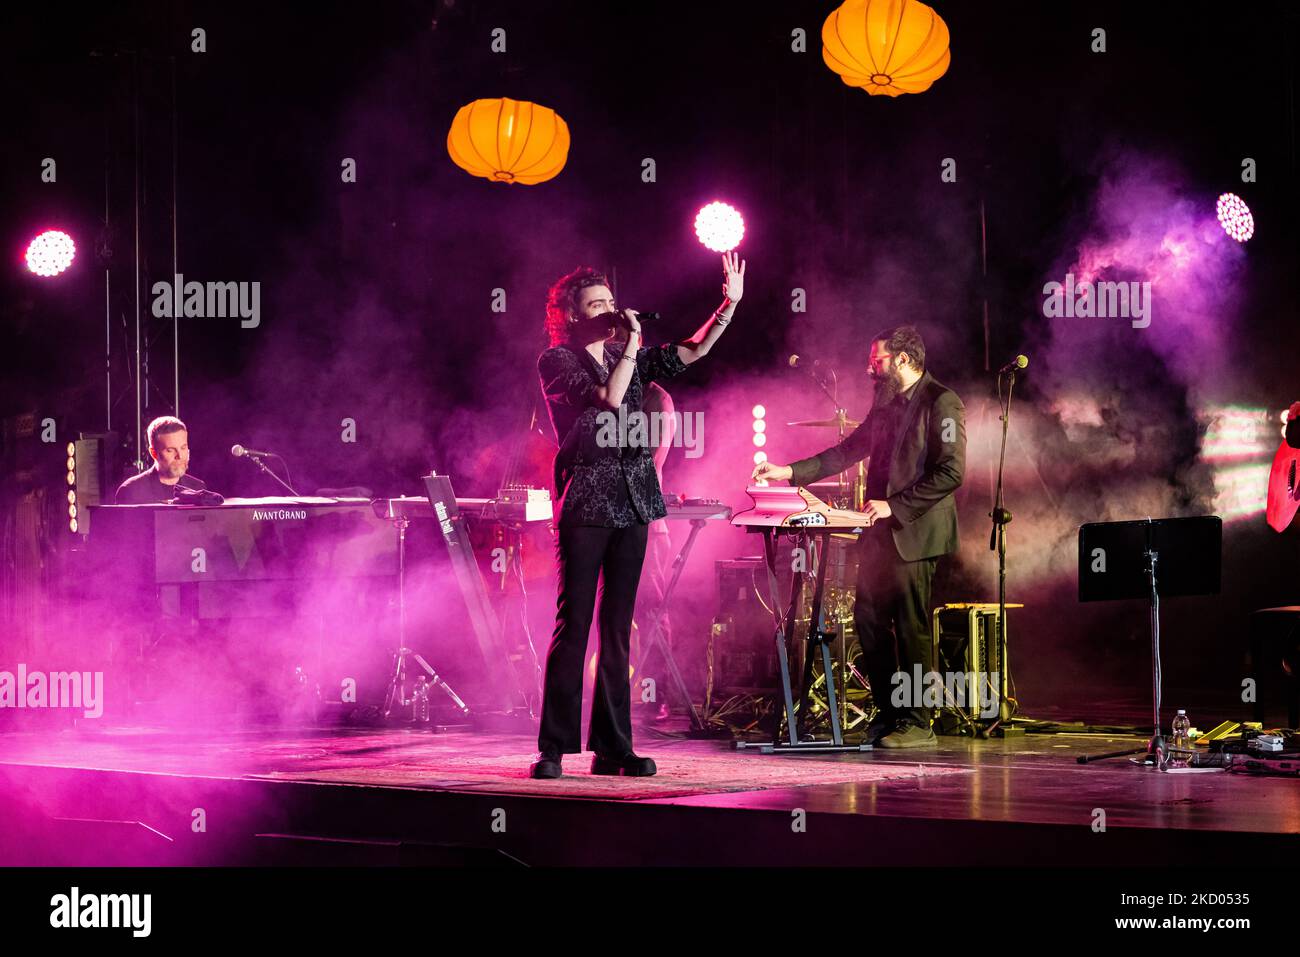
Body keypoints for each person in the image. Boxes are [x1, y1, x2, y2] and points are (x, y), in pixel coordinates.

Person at [532, 253, 745, 778]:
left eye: (610, 301)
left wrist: (728, 305)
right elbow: (607, 398)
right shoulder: (557, 362)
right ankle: (554, 749)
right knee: (573, 625)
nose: (609, 310)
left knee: (618, 629)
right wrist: (628, 349)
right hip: (585, 504)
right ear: (572, 316)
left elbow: (692, 352)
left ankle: (613, 748)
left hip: (632, 503)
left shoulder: (632, 354)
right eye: (596, 305)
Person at [752, 325, 965, 749]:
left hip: (915, 531)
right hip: (879, 532)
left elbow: (952, 472)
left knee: (911, 628)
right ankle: (889, 716)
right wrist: (788, 472)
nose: (870, 366)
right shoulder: (886, 404)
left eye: (877, 358)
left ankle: (919, 722)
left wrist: (895, 505)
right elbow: (847, 451)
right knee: (868, 621)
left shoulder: (942, 402)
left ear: (903, 359)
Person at [115, 416, 209, 504]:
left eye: (183, 448)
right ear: (153, 453)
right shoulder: (131, 490)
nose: (179, 456)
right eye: (170, 450)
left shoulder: (198, 488)